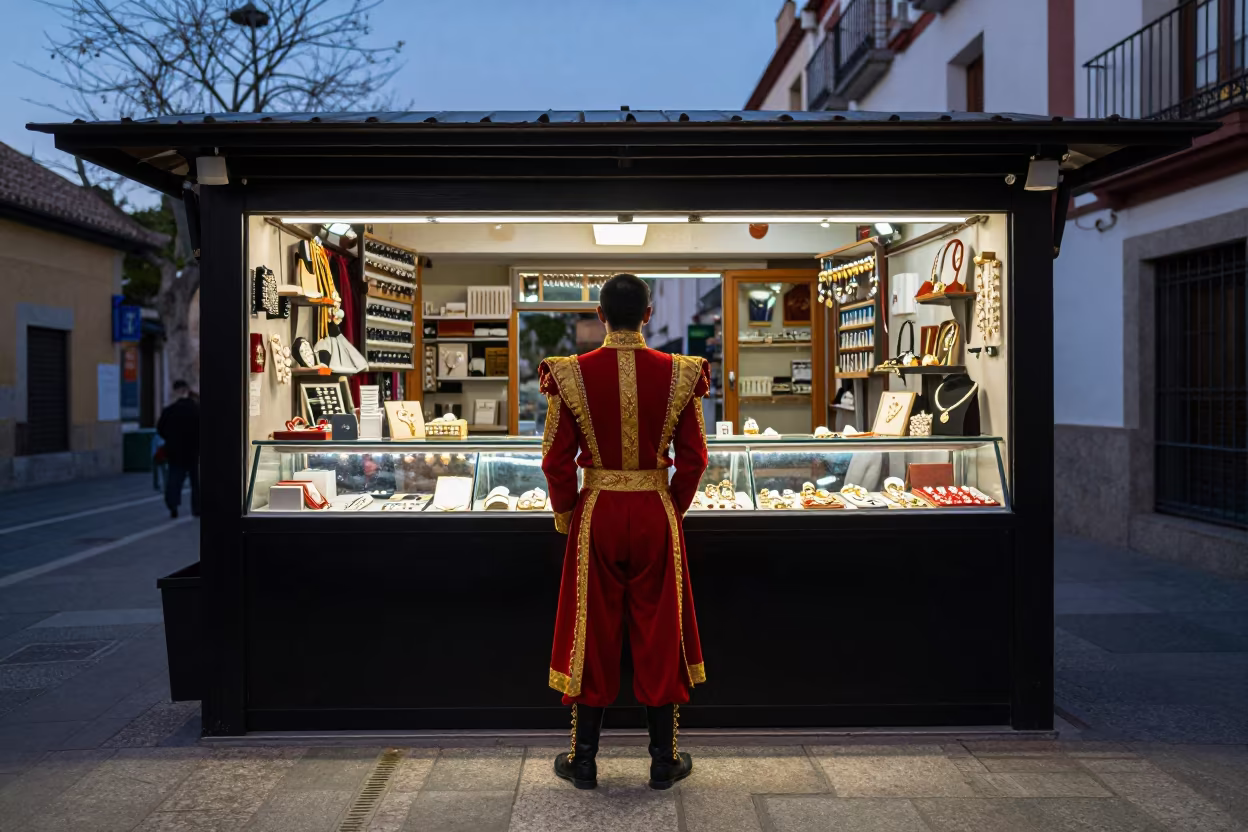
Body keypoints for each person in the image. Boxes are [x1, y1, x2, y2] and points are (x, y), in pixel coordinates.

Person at [539, 273, 710, 790]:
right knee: (659, 628)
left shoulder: (570, 374)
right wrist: (669, 508)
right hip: (654, 509)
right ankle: (663, 760)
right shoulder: (681, 372)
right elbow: (696, 458)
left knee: (592, 628)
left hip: (599, 512)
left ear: (599, 314)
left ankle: (584, 760)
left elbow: (555, 460)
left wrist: (568, 514)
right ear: (650, 314)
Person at [157, 380, 200, 519]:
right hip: (195, 451)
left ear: (175, 391)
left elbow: (160, 429)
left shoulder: (169, 411)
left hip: (175, 451)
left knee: (174, 480)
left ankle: (173, 505)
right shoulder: (197, 409)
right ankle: (197, 508)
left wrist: (171, 439)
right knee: (197, 482)